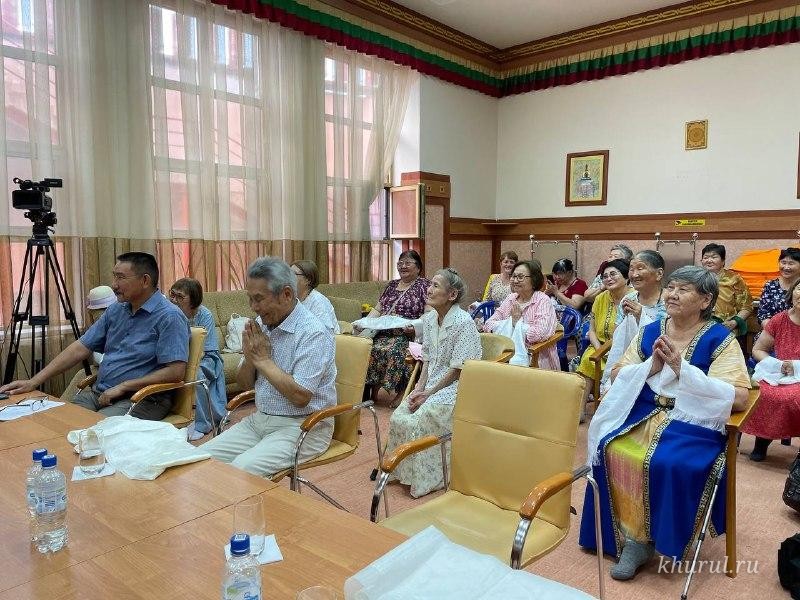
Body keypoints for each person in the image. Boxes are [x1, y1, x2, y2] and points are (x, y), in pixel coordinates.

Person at [579, 266, 750, 581]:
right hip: (643, 410)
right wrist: (652, 366)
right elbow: (617, 374)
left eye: (683, 290)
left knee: (667, 462)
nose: (672, 294)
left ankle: (659, 537)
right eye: (671, 287)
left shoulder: (719, 339)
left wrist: (683, 369)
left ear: (705, 300)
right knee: (607, 446)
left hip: (692, 420)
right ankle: (632, 539)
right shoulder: (649, 331)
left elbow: (739, 396)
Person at [0, 252, 189, 420]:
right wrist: (34, 381)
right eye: (114, 276)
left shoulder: (169, 316)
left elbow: (175, 372)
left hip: (142, 398)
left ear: (145, 280)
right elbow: (80, 348)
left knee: (89, 433)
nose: (114, 285)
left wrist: (124, 386)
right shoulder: (116, 310)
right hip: (100, 392)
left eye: (121, 277)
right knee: (55, 422)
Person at [201, 257, 336, 477]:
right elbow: (245, 384)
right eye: (250, 299)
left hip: (304, 426)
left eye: (259, 299)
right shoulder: (262, 324)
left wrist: (263, 361)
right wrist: (250, 358)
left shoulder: (313, 333)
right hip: (260, 420)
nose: (253, 307)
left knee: (240, 472)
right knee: (199, 459)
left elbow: (300, 397)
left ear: (286, 294)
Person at [384, 268, 482, 497]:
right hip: (431, 383)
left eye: (436, 286)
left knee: (424, 416)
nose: (429, 289)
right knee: (400, 414)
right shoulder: (429, 320)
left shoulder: (463, 322)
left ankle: (428, 479)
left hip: (457, 386)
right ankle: (403, 472)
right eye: (430, 284)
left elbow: (458, 370)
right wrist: (419, 388)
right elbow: (426, 359)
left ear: (452, 295)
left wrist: (428, 394)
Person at [360, 250, 430, 404]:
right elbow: (378, 309)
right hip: (382, 332)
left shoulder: (424, 286)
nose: (403, 266)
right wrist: (364, 324)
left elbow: (429, 314)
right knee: (367, 347)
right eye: (400, 263)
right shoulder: (391, 285)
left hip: (407, 334)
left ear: (418, 268)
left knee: (395, 350)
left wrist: (414, 326)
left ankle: (403, 390)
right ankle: (371, 389)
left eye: (407, 263)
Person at [742, 279, 800, 461]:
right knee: (764, 393)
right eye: (799, 289)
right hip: (779, 373)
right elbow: (758, 349)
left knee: (794, 397)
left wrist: (796, 366)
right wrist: (777, 364)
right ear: (792, 292)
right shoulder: (780, 319)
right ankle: (762, 440)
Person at [599, 250, 667, 393]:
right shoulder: (628, 299)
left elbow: (672, 338)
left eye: (640, 268)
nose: (634, 274)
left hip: (661, 364)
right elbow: (618, 336)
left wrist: (641, 316)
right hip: (629, 361)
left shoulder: (670, 301)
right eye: (631, 269)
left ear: (659, 274)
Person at [169, 278, 227, 441]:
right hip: (181, 357)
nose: (174, 300)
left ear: (193, 300)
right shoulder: (171, 312)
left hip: (206, 357)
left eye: (180, 297)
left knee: (198, 374)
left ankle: (204, 424)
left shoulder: (204, 314)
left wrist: (189, 363)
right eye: (172, 294)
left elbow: (205, 348)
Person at [483, 260, 559, 369]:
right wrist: (512, 323)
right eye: (513, 276)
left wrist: (516, 323)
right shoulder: (511, 298)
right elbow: (488, 325)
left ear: (534, 279)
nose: (515, 280)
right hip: (506, 354)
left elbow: (538, 335)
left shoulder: (542, 300)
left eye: (520, 277)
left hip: (535, 357)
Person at [574, 259, 632, 384]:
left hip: (625, 350)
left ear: (627, 277)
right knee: (588, 360)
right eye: (605, 277)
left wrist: (612, 353)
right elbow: (592, 331)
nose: (608, 279)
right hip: (599, 346)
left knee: (621, 370)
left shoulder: (634, 298)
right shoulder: (600, 298)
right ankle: (583, 398)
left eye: (613, 274)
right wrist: (600, 350)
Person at [700, 243, 753, 336]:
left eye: (714, 257)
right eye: (705, 257)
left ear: (723, 261)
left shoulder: (734, 279)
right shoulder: (696, 279)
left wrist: (734, 322)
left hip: (727, 328)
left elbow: (747, 306)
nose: (709, 260)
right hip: (700, 328)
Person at [291, 260, 340, 334]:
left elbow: (324, 334)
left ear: (308, 280)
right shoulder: (291, 300)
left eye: (293, 274)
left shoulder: (318, 301)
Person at [756, 247, 800, 328]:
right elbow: (763, 314)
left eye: (791, 264)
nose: (786, 267)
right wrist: (775, 331)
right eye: (783, 262)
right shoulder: (770, 285)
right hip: (772, 331)